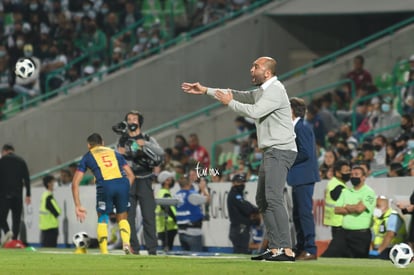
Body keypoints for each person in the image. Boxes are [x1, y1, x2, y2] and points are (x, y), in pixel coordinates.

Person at [182, 56, 298, 261]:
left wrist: (230, 103)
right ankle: (274, 248)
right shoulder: (264, 90)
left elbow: (254, 111)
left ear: (268, 72)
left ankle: (286, 249)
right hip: (271, 151)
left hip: (280, 150)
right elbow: (238, 95)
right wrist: (206, 90)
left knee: (273, 198)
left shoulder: (276, 90)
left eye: (256, 66)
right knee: (263, 201)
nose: (251, 69)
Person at [71, 133, 135, 255]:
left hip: (105, 185)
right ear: (103, 143)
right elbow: (131, 175)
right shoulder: (115, 153)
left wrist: (78, 205)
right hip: (122, 183)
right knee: (122, 217)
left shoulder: (88, 156)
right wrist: (125, 190)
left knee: (103, 216)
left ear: (89, 145)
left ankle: (104, 251)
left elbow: (75, 183)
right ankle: (126, 243)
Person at [116, 110, 164, 255]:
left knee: (148, 215)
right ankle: (133, 247)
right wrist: (122, 150)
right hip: (128, 180)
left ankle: (152, 248)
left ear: (139, 122)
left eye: (134, 119)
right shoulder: (122, 139)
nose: (131, 121)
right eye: (129, 119)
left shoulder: (147, 137)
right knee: (129, 216)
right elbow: (118, 156)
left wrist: (146, 144)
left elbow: (160, 152)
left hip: (145, 178)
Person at [287, 97, 320, 260]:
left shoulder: (302, 127)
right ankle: (301, 247)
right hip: (299, 176)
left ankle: (310, 249)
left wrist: (286, 159)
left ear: (292, 110)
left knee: (304, 213)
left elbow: (305, 152)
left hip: (304, 176)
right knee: (298, 213)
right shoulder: (297, 127)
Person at [322, 166, 376, 258]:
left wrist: (346, 206)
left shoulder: (369, 192)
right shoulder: (345, 192)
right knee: (329, 256)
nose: (353, 177)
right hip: (344, 233)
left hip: (361, 235)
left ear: (363, 177)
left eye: (356, 174)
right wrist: (353, 207)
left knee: (358, 262)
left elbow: (360, 209)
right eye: (352, 174)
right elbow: (337, 209)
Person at [0, 144, 31, 242]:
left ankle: (7, 231)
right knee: (16, 219)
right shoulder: (21, 161)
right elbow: (27, 179)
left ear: (4, 151)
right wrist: (28, 194)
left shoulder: (2, 161)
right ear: (13, 150)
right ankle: (14, 241)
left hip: (4, 195)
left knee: (1, 217)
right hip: (18, 196)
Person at [175, 176, 209, 252]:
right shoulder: (191, 195)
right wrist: (203, 188)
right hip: (193, 231)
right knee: (196, 257)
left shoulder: (177, 195)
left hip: (181, 231)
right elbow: (207, 199)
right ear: (189, 183)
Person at [227, 173, 258, 254]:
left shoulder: (238, 194)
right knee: (241, 252)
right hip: (239, 229)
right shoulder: (234, 195)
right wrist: (257, 210)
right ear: (233, 183)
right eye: (239, 182)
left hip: (239, 228)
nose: (241, 184)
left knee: (241, 252)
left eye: (243, 182)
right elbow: (247, 208)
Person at [322, 159, 351, 244]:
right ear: (338, 173)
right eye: (346, 171)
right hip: (339, 222)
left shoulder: (334, 183)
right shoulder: (337, 186)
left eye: (349, 170)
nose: (349, 173)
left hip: (335, 221)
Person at [155, 170, 178, 251]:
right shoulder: (165, 193)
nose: (172, 181)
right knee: (168, 248)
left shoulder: (163, 192)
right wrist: (175, 219)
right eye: (170, 179)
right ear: (166, 181)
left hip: (165, 226)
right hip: (168, 226)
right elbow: (168, 209)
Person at [39, 175, 61, 247]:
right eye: (53, 182)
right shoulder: (49, 197)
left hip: (44, 227)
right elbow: (57, 212)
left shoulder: (44, 195)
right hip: (51, 228)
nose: (55, 183)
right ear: (49, 184)